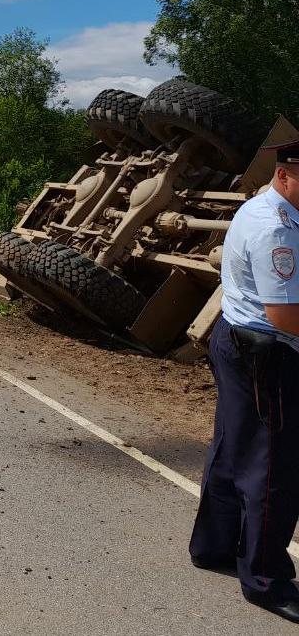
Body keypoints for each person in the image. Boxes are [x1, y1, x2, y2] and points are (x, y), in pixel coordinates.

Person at [190, 139, 299, 623]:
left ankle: (213, 547)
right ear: (286, 174)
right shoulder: (279, 231)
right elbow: (284, 315)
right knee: (273, 467)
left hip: (235, 342)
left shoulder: (261, 207)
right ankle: (265, 579)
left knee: (232, 447)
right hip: (269, 355)